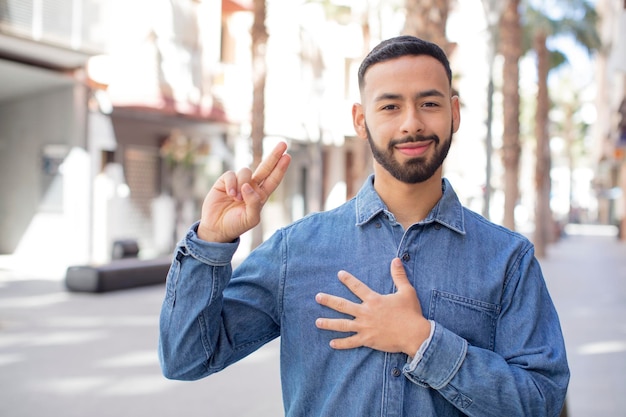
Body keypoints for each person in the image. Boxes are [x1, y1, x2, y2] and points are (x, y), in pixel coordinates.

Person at [158, 35, 569, 416]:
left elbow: (542, 400)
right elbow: (186, 358)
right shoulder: (296, 250)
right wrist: (212, 241)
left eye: (429, 103)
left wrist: (421, 340)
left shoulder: (508, 258)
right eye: (390, 106)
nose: (411, 123)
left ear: (454, 113)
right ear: (360, 120)